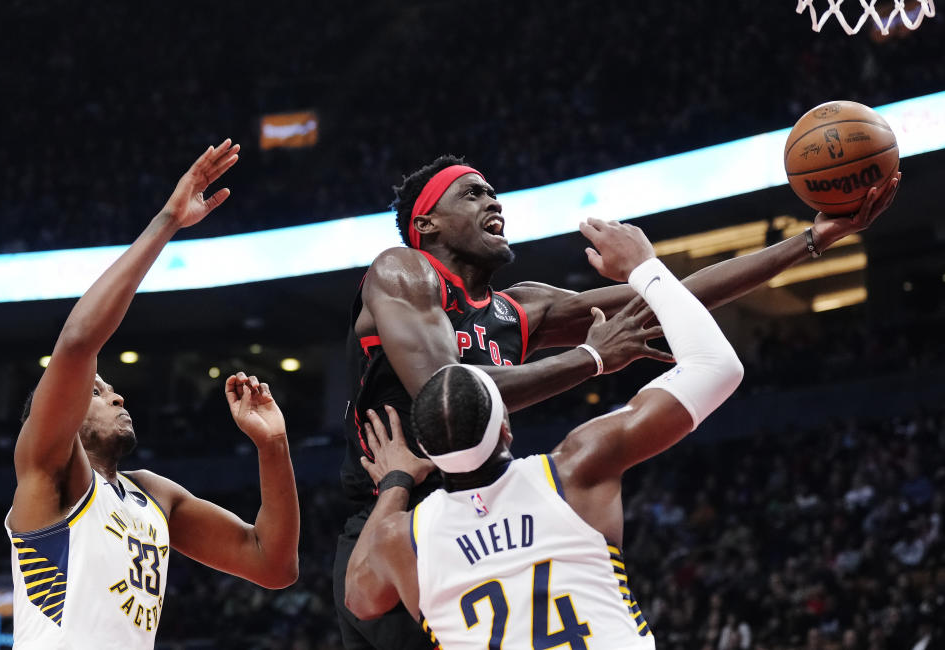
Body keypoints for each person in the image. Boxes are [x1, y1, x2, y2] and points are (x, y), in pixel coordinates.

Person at [334, 155, 900, 648]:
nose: (493, 199)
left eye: (492, 189)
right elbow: (448, 388)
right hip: (395, 515)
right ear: (426, 222)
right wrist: (593, 358)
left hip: (482, 504)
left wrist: (810, 241)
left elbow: (674, 297)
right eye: (472, 192)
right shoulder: (402, 269)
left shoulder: (520, 308)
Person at [344, 218, 744, 648]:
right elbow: (716, 367)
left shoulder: (405, 538)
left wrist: (396, 482)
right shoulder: (577, 469)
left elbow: (360, 598)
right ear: (505, 427)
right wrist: (645, 267)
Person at [5, 140, 301, 649]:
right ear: (64, 414)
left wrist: (272, 448)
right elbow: (77, 345)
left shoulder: (153, 496)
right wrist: (168, 220)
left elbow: (272, 564)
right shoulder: (49, 473)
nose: (118, 398)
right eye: (98, 393)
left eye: (114, 391)